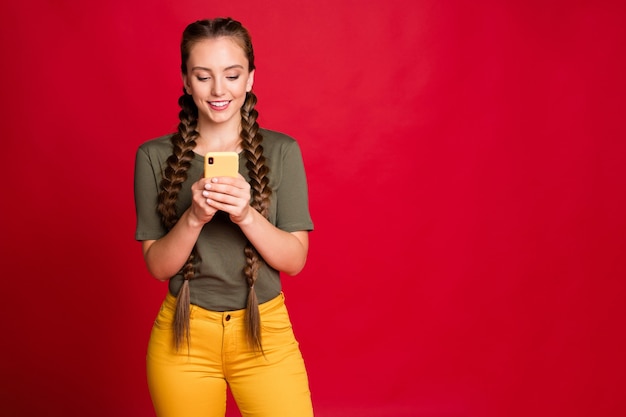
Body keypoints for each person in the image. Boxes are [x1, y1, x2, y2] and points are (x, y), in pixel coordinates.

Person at [133, 17, 314, 417]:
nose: (219, 90)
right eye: (203, 76)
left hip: (264, 332)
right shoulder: (153, 156)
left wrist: (246, 215)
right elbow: (158, 267)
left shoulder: (282, 150)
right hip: (183, 338)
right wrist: (194, 218)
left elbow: (295, 260)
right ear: (185, 80)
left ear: (250, 79)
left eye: (232, 75)